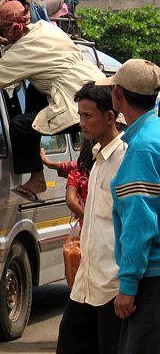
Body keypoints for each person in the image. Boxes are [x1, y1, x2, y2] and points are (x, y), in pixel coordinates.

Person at [0, 0, 105, 200]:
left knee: (20, 126)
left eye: (2, 31)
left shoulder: (22, 51)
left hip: (76, 99)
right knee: (34, 88)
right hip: (97, 86)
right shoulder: (45, 27)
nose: (1, 36)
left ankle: (37, 178)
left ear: (15, 29)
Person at [95, 59, 160, 353]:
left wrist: (129, 286)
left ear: (118, 95)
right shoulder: (153, 135)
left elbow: (139, 223)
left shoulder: (143, 147)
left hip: (152, 279)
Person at [56, 81, 126, 354]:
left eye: (88, 115)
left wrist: (128, 284)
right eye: (80, 115)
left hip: (114, 283)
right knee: (70, 342)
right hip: (88, 281)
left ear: (110, 117)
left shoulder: (124, 158)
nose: (82, 123)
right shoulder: (97, 159)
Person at [41, 137, 95, 225]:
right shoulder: (108, 166)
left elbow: (70, 201)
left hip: (89, 228)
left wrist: (86, 217)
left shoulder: (78, 172)